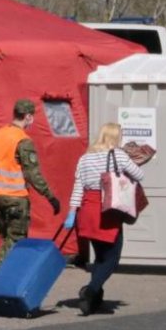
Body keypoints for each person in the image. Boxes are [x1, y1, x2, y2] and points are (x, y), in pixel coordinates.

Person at [64, 122, 145, 316]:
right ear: (116, 138)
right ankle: (89, 291)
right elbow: (139, 175)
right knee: (112, 259)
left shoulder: (85, 158)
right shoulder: (118, 155)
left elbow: (78, 187)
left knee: (100, 256)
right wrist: (132, 163)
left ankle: (94, 301)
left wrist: (72, 211)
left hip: (87, 210)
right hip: (109, 210)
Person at [0, 98, 60, 276]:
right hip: (15, 197)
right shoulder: (22, 140)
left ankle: (5, 273)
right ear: (28, 117)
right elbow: (33, 174)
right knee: (16, 238)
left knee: (7, 238)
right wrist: (50, 197)